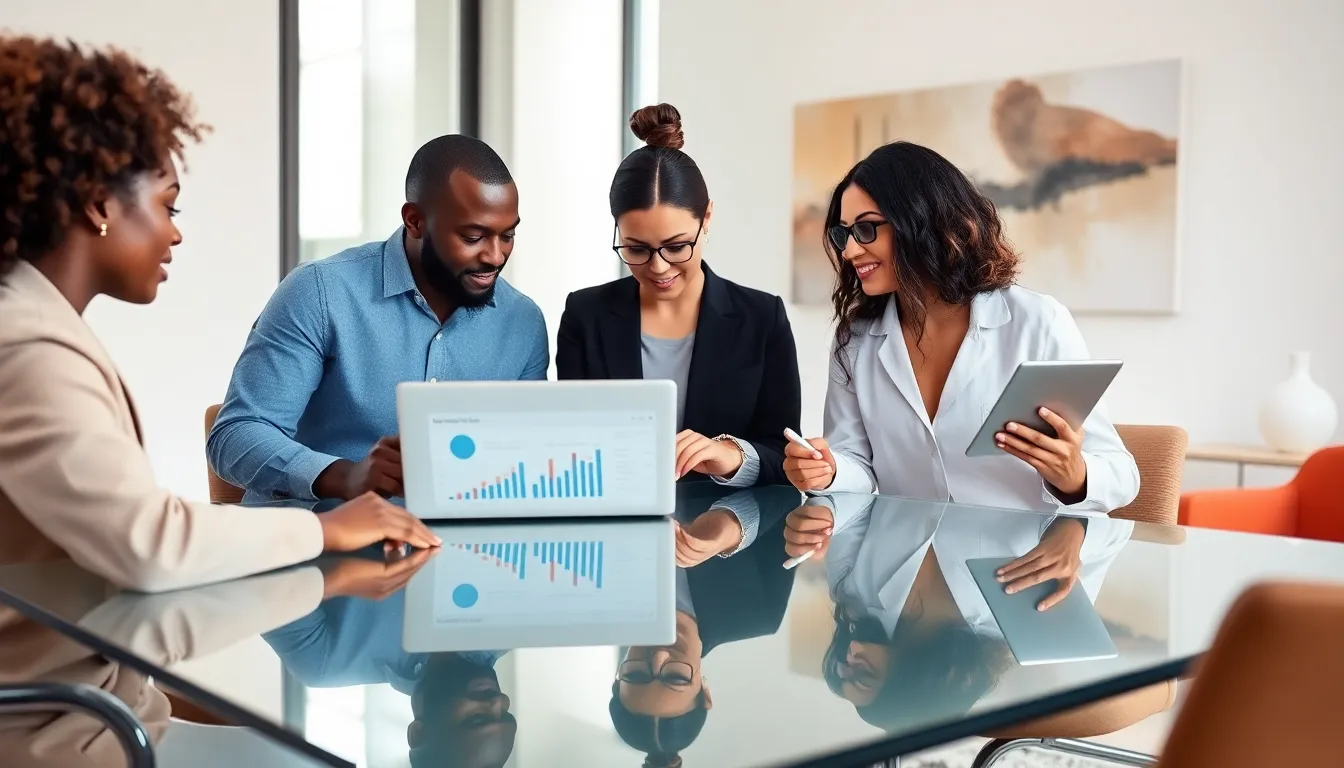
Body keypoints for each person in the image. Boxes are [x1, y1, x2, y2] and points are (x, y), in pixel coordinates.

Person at [0, 35, 438, 594]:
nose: (175, 231)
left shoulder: (36, 329)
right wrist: (324, 528)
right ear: (100, 204)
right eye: (167, 205)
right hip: (65, 678)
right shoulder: (29, 351)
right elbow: (150, 545)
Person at [782, 141, 1139, 514]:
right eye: (844, 234)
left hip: (1016, 564)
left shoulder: (1037, 322)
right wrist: (830, 470)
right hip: (905, 564)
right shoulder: (854, 339)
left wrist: (1073, 475)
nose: (850, 251)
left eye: (867, 229)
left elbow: (1122, 474)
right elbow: (857, 463)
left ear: (924, 221)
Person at [208, 135, 548, 503]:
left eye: (508, 235)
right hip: (319, 544)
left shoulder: (523, 323)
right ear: (415, 221)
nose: (496, 256)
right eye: (473, 236)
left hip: (457, 552)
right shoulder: (320, 292)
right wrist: (345, 476)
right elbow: (236, 435)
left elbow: (528, 460)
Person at [557, 104, 801, 487]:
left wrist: (731, 455)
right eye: (636, 249)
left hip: (728, 537)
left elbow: (784, 456)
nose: (658, 267)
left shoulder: (762, 318)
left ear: (707, 219)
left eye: (676, 246)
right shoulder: (585, 315)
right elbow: (568, 443)